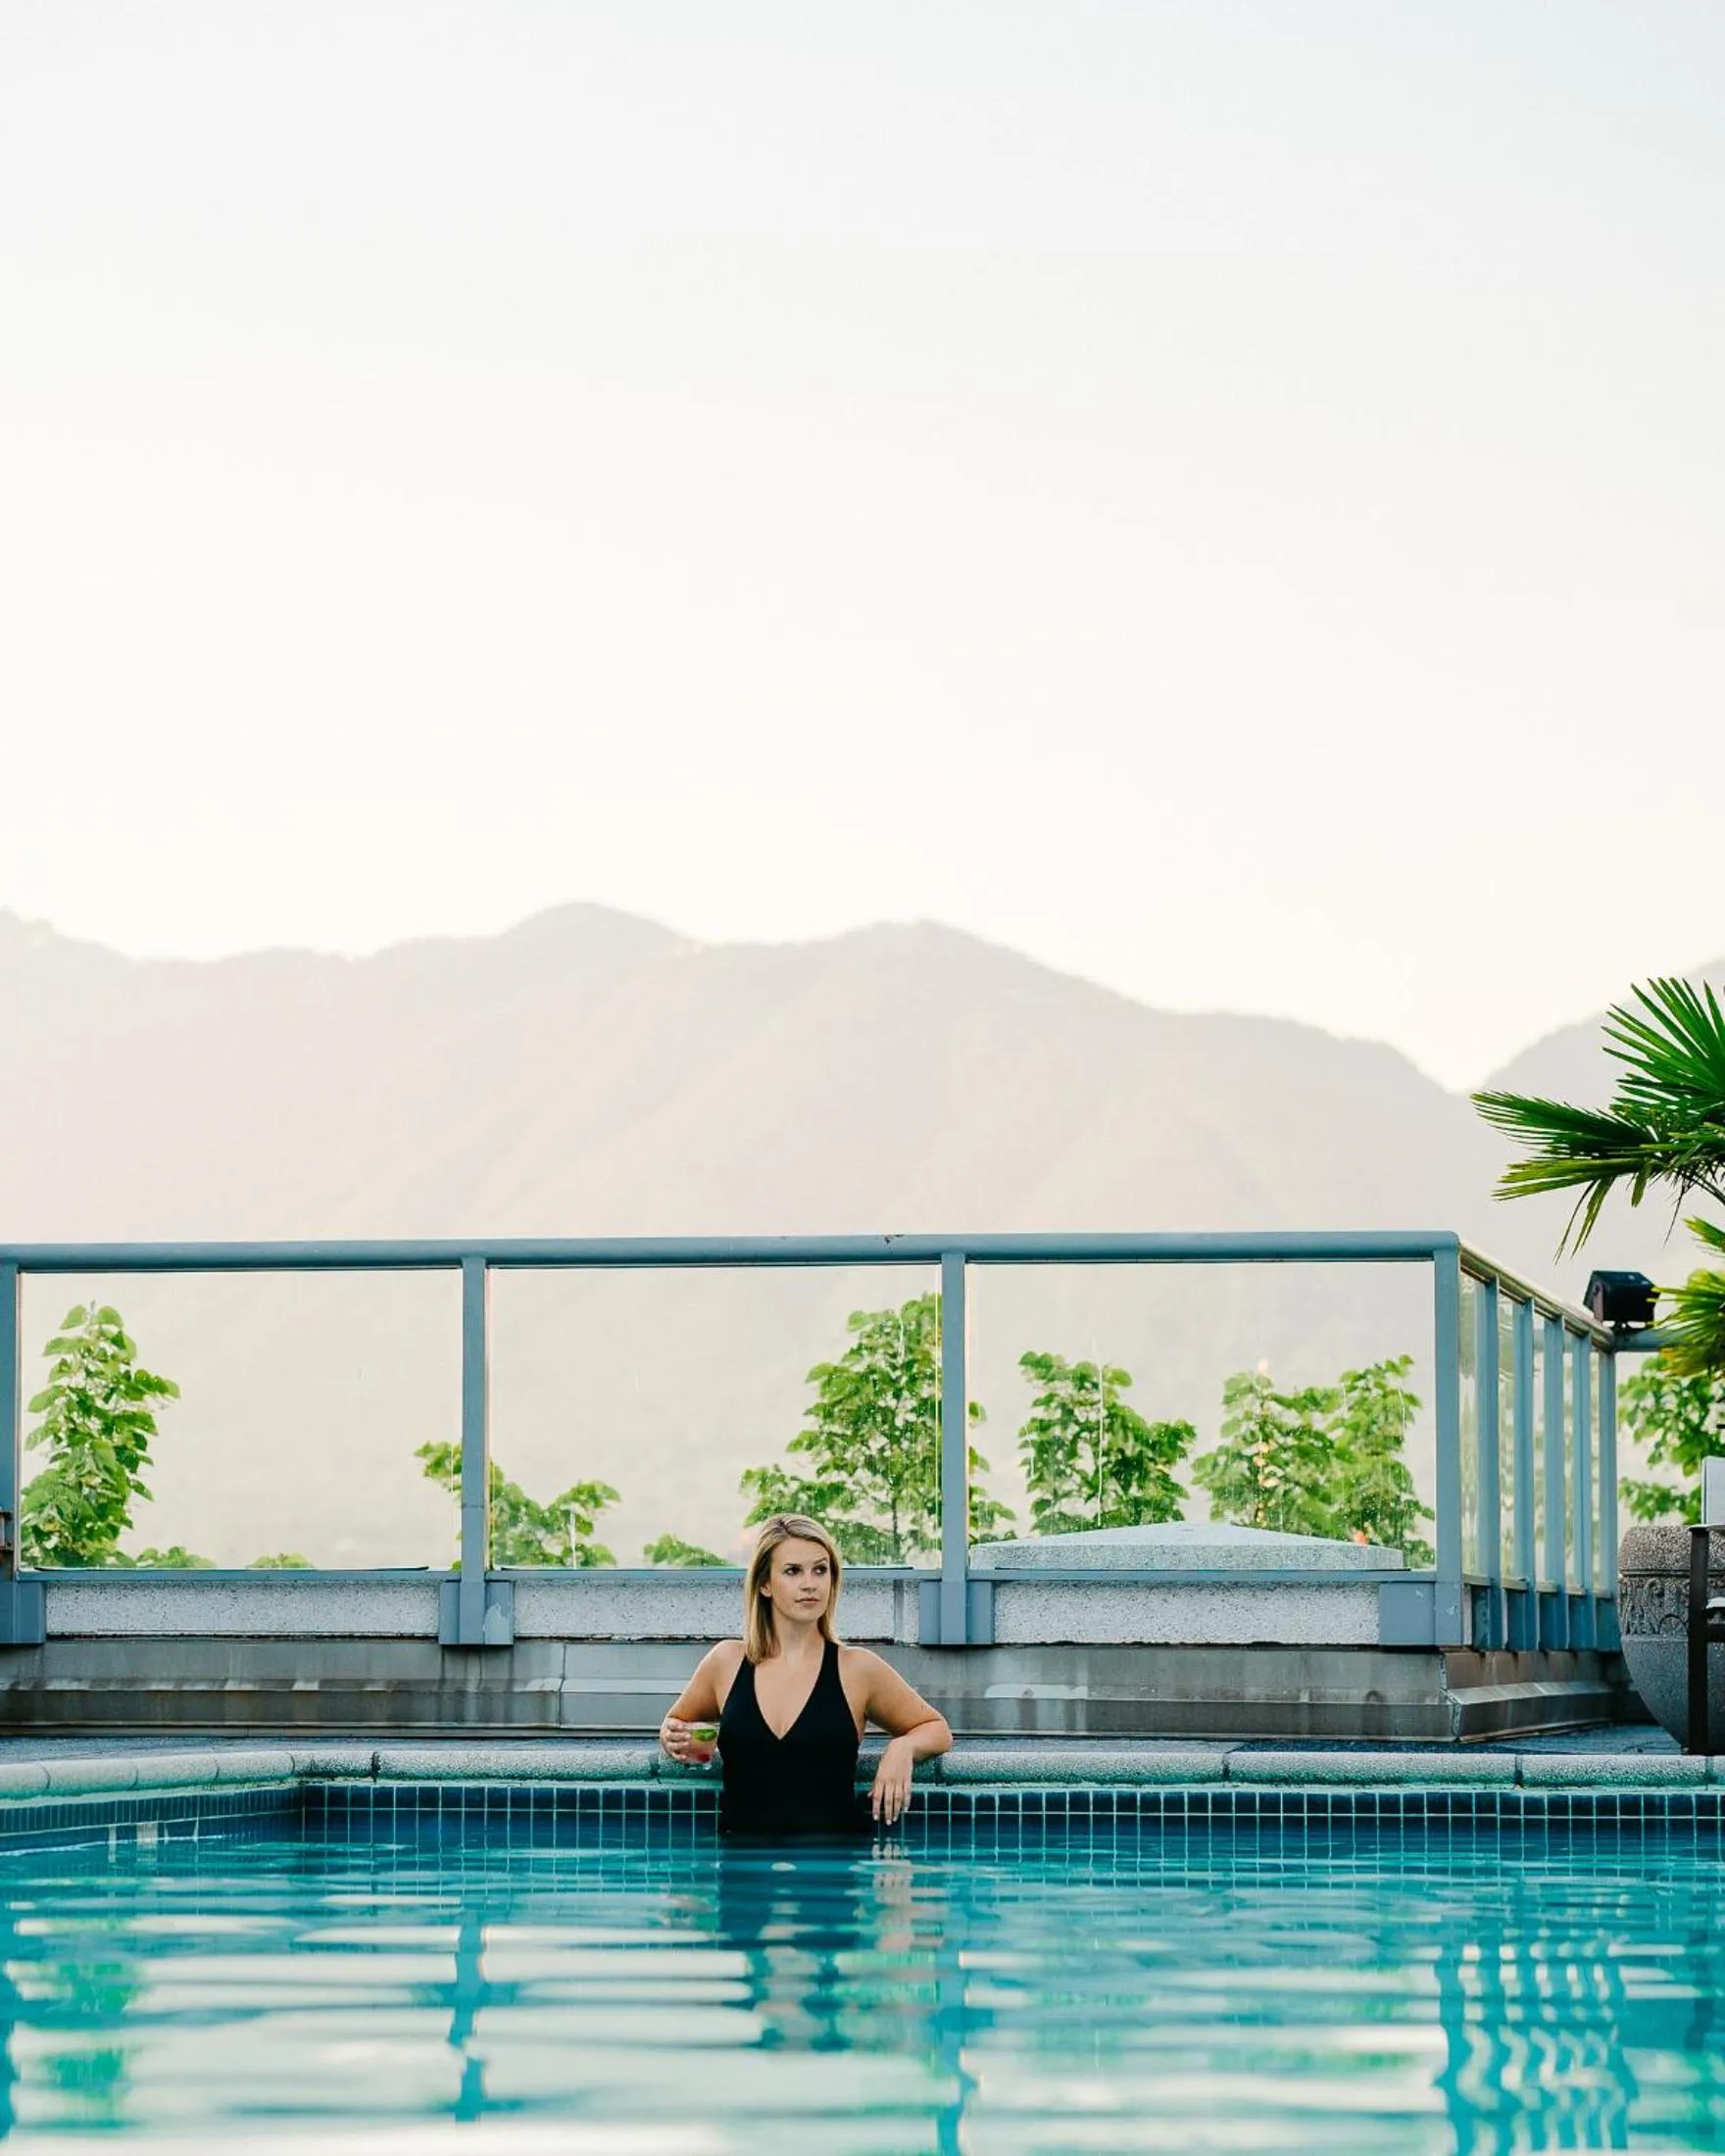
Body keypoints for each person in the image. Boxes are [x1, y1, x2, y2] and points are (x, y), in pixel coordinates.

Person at [659, 1512, 953, 1837]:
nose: (810, 1583)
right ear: (765, 1584)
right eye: (793, 1571)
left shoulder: (856, 1668)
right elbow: (675, 1725)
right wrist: (677, 1740)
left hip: (829, 1872)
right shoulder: (726, 1662)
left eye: (820, 1570)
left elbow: (936, 1728)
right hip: (741, 1873)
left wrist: (902, 1749)